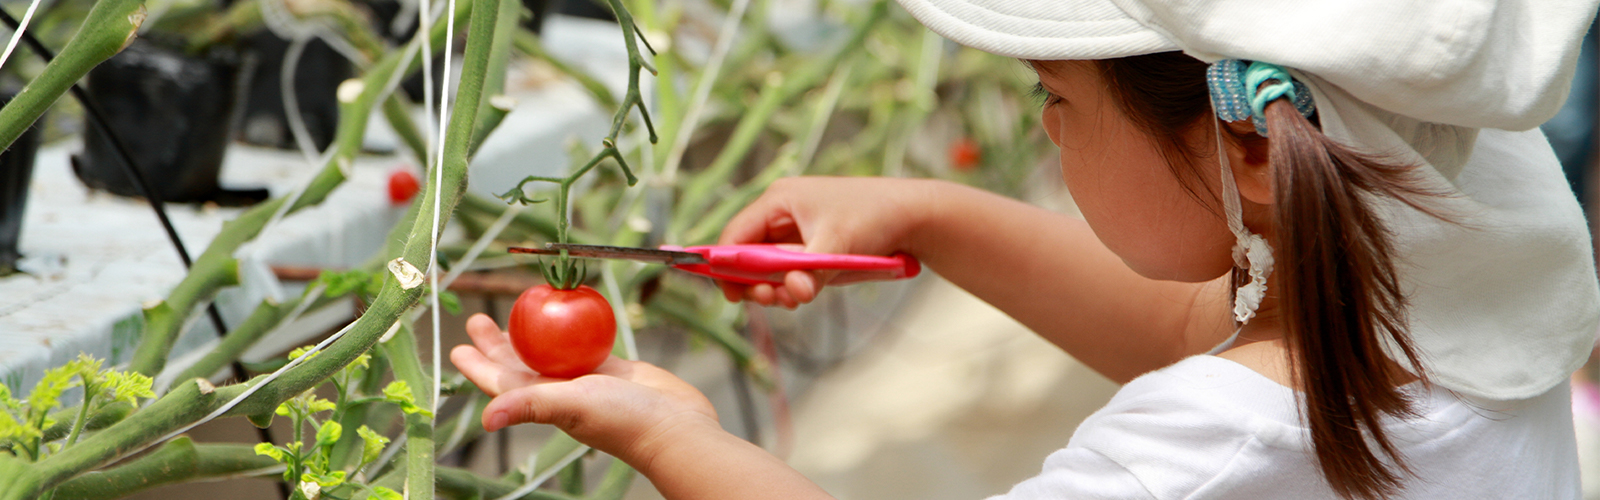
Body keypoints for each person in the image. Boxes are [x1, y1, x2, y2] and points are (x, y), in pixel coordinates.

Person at [451, 0, 1600, 498]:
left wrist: (670, 433)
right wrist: (931, 216)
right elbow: (1175, 329)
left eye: (1057, 96)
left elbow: (1189, 376)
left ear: (1248, 142)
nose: (1046, 128)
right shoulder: (1450, 253)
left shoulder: (1192, 450)